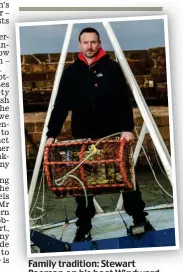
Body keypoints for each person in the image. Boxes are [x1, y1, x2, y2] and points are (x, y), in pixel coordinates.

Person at [46, 27, 154, 242]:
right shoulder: (71, 72)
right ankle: (83, 228)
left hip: (112, 134)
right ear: (79, 45)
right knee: (82, 182)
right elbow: (60, 106)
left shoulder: (112, 68)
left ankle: (140, 219)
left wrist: (127, 129)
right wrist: (52, 133)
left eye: (93, 42)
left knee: (125, 177)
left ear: (99, 43)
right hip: (83, 137)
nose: (89, 47)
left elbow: (124, 101)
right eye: (85, 43)